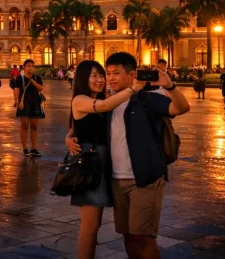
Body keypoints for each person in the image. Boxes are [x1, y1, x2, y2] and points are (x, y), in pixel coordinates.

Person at [68, 52, 190, 259]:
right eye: (108, 73)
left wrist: (170, 87)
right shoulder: (109, 102)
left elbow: (181, 107)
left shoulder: (148, 99)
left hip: (145, 178)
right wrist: (69, 137)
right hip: (116, 180)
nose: (110, 78)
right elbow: (85, 124)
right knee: (128, 236)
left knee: (143, 237)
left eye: (115, 73)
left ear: (132, 74)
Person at [69, 60, 147, 259]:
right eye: (94, 76)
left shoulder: (104, 98)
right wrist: (132, 89)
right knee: (90, 226)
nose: (100, 80)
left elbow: (76, 128)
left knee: (96, 225)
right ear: (82, 78)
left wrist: (68, 137)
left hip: (107, 165)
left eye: (101, 75)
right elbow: (103, 106)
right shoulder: (80, 99)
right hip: (90, 166)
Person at [16, 59, 45, 156]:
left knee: (34, 126)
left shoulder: (37, 77)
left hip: (35, 103)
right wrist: (17, 102)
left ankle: (34, 148)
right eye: (28, 65)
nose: (30, 68)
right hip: (24, 103)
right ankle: (25, 149)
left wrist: (33, 82)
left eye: (32, 66)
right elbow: (16, 91)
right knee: (24, 126)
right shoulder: (20, 78)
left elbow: (41, 88)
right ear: (24, 67)